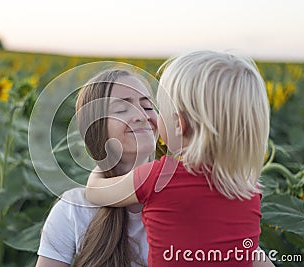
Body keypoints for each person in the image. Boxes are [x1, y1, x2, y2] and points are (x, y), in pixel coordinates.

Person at [86, 51, 274, 266]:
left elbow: (96, 192)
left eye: (158, 109)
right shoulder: (249, 188)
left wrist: (103, 164)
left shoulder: (158, 177)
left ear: (179, 123)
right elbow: (250, 253)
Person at [35, 69, 158, 267]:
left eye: (148, 106)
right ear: (95, 128)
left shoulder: (183, 194)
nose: (142, 116)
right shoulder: (74, 209)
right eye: (121, 109)